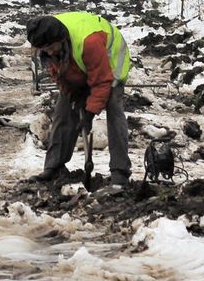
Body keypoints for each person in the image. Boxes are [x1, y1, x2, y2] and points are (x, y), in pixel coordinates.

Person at [24, 11, 132, 187]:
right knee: (62, 111)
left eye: (51, 47)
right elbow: (59, 74)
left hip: (111, 62)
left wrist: (89, 113)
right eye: (45, 50)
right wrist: (74, 96)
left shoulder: (89, 42)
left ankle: (120, 172)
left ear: (61, 39)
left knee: (113, 107)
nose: (49, 52)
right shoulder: (49, 43)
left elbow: (101, 82)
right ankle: (54, 167)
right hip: (80, 60)